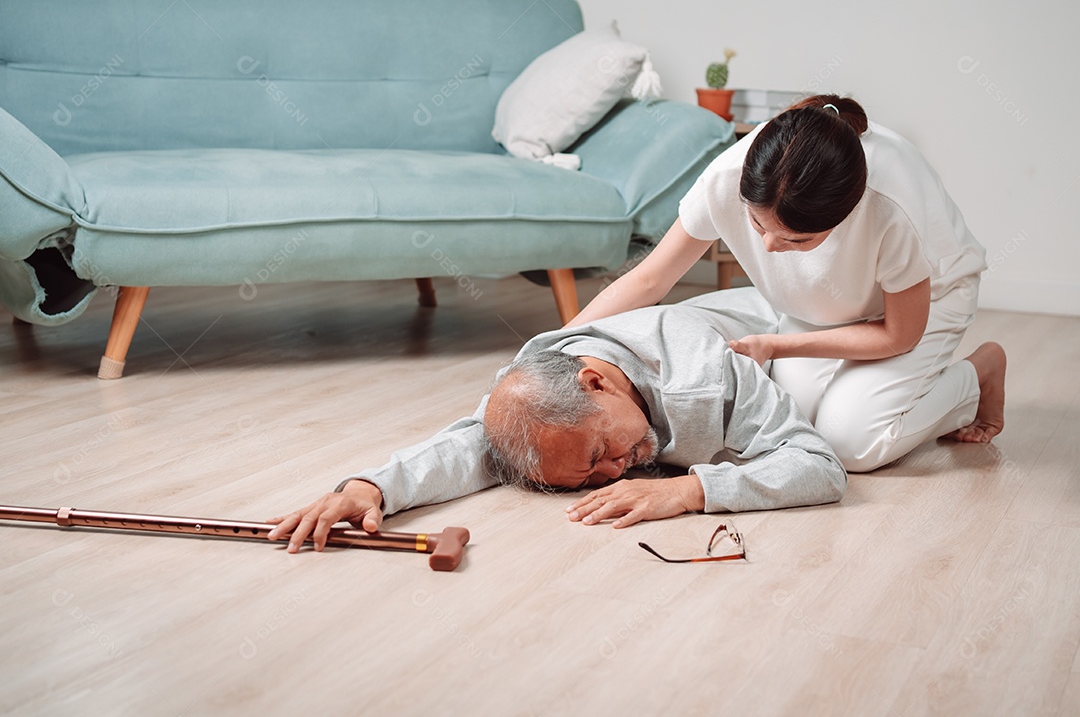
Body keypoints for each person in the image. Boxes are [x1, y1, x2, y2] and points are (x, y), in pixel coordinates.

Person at [566, 94, 1006, 473]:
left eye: (798, 239)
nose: (771, 247)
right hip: (816, 307)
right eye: (758, 226)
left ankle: (977, 374)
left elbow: (897, 334)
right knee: (793, 427)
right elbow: (650, 277)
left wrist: (776, 346)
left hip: (924, 307)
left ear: (846, 214)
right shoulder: (732, 176)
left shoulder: (890, 207)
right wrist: (553, 349)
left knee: (852, 445)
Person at [267, 288, 847, 553]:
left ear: (596, 382)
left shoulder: (706, 375)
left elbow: (820, 467)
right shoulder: (535, 388)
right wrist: (369, 488)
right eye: (589, 477)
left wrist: (694, 490)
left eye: (599, 455)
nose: (613, 475)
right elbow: (471, 448)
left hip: (799, 331)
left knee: (859, 437)